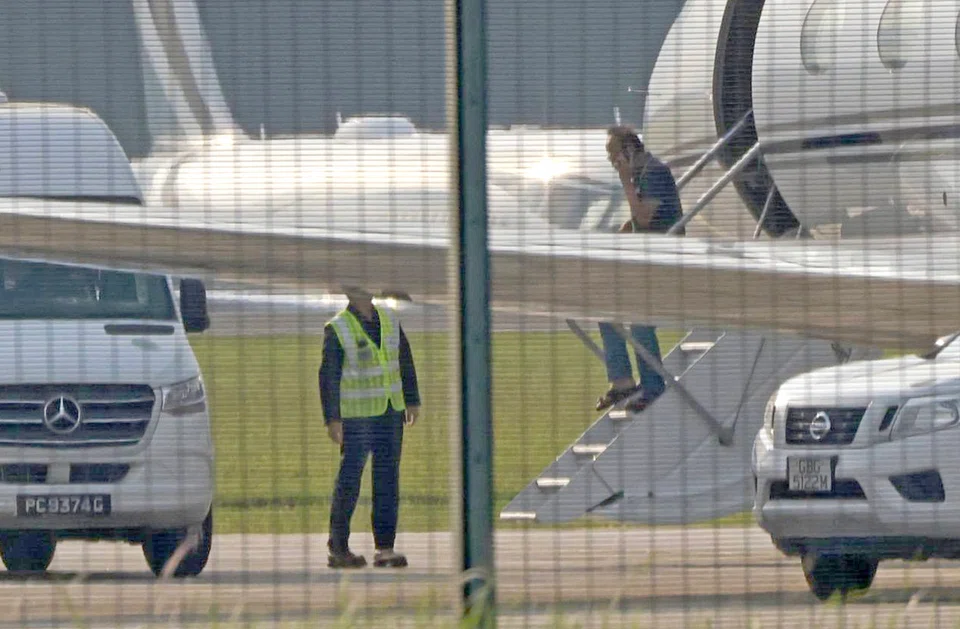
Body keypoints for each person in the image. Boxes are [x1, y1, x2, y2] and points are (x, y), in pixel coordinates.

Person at [319, 285, 421, 569]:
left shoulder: (389, 320)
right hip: (356, 416)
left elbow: (404, 360)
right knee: (350, 479)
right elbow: (328, 375)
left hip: (390, 410)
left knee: (387, 479)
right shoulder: (338, 328)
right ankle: (338, 547)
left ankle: (385, 548)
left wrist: (412, 400)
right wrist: (332, 418)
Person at [595, 126, 684, 413]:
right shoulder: (642, 175)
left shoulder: (654, 173)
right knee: (607, 313)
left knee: (640, 322)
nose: (612, 162)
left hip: (665, 263)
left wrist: (624, 181)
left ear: (630, 150)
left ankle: (653, 387)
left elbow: (645, 217)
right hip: (650, 262)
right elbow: (638, 222)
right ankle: (622, 382)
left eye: (614, 154)